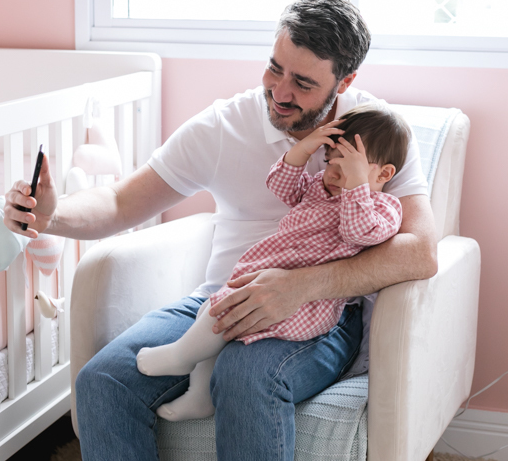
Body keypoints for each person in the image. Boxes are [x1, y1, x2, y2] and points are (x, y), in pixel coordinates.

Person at [3, 0, 438, 461]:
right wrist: (50, 214)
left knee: (245, 371)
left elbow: (421, 250)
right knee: (103, 381)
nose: (280, 91)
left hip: (323, 314)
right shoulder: (223, 126)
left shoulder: (374, 136)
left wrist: (299, 286)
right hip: (220, 298)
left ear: (345, 80)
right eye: (275, 67)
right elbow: (119, 201)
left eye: (304, 83)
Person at [135, 104, 411, 422]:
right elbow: (280, 185)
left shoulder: (382, 208)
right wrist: (305, 149)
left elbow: (358, 231)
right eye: (330, 161)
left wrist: (356, 187)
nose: (333, 173)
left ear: (384, 173)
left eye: (346, 166)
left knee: (222, 316)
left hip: (304, 301)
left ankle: (181, 356)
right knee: (210, 311)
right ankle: (200, 396)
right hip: (264, 276)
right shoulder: (320, 190)